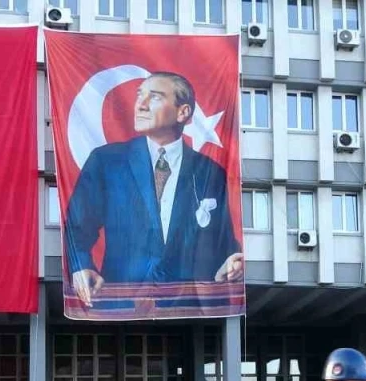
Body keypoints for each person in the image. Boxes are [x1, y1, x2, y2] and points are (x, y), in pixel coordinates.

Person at [65, 74, 243, 309]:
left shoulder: (210, 172)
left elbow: (221, 240)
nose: (141, 104)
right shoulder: (107, 161)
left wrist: (231, 261)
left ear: (183, 112)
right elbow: (77, 226)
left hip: (185, 310)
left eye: (155, 97)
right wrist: (81, 265)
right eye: (140, 94)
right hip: (120, 305)